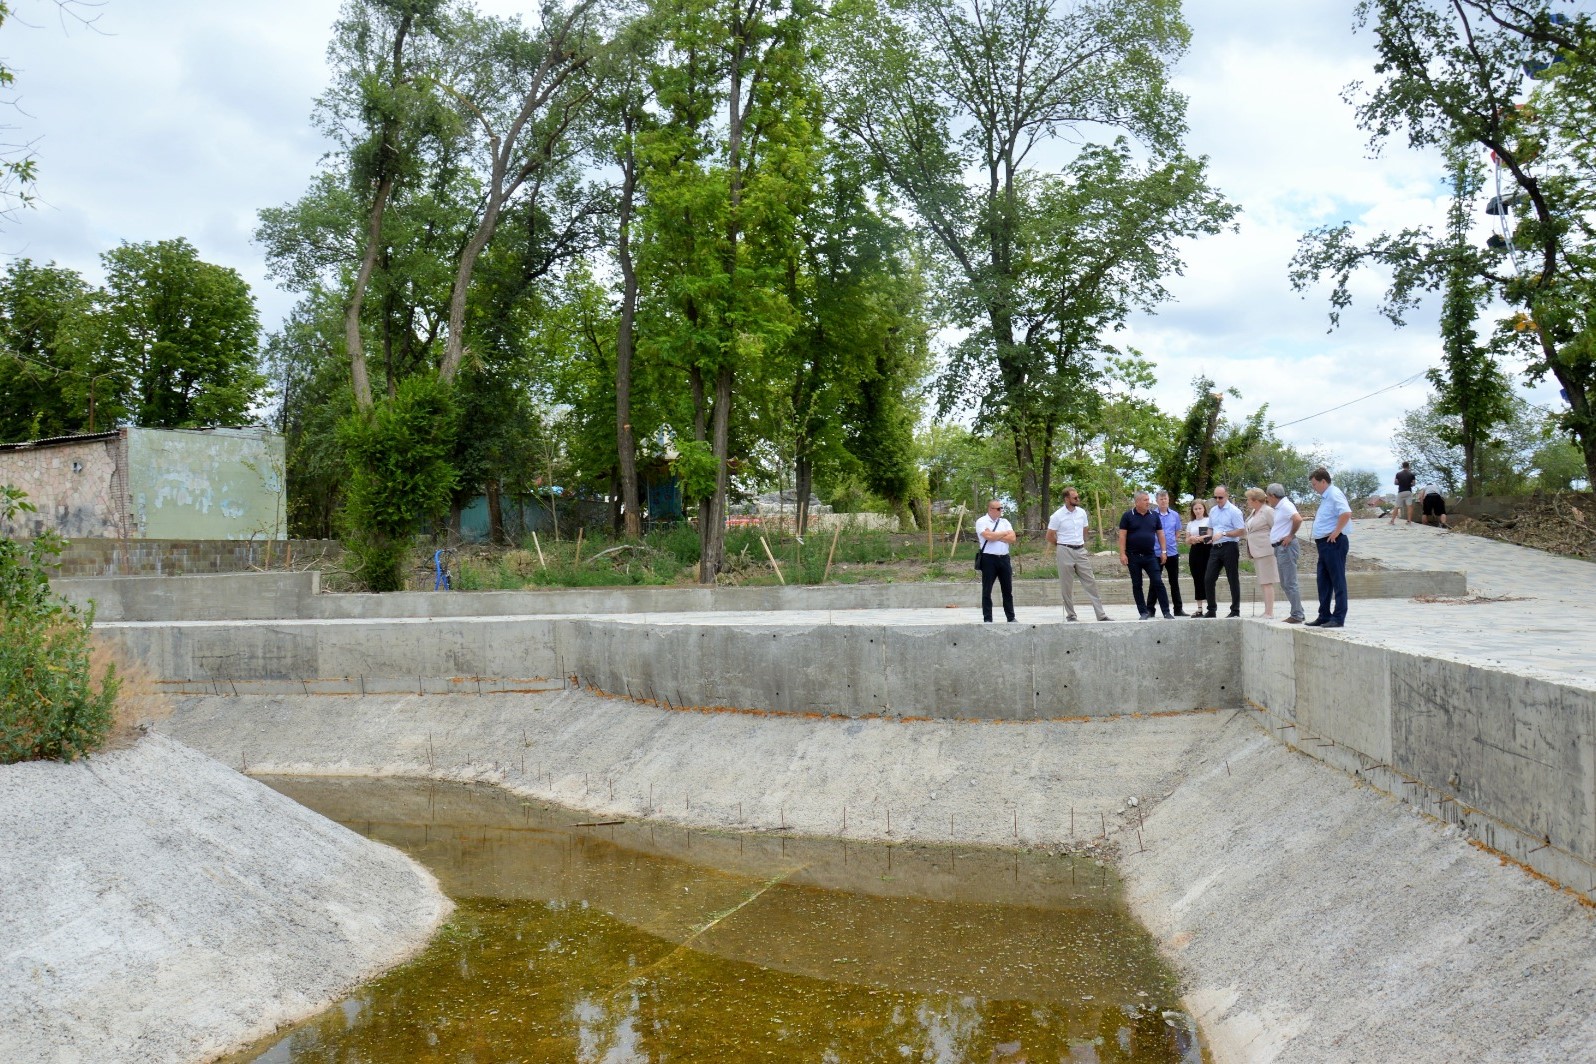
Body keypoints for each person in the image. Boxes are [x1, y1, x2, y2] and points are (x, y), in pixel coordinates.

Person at [1045, 486, 1109, 622]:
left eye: (1078, 497)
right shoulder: (1057, 516)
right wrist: (1061, 544)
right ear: (1066, 499)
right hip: (1064, 550)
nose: (1077, 499)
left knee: (1090, 582)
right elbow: (1049, 536)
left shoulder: (1081, 513)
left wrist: (1082, 541)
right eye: (1075, 497)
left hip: (1080, 550)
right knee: (1066, 584)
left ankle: (1101, 614)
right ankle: (1071, 615)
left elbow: (1085, 529)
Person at [1307, 467, 1351, 627]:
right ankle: (1324, 615)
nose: (1314, 488)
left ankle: (1339, 617)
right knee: (1323, 580)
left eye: (1314, 484)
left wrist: (1336, 532)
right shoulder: (1326, 497)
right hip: (1324, 545)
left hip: (1334, 543)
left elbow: (1346, 513)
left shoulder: (1334, 493)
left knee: (1338, 580)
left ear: (1323, 481)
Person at [1118, 491, 1171, 619]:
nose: (1148, 502)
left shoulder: (1154, 515)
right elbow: (1122, 535)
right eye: (1145, 500)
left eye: (1148, 499)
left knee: (1158, 582)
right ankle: (1143, 612)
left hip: (1150, 556)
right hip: (1133, 556)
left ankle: (1166, 611)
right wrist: (1122, 554)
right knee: (1137, 584)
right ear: (1137, 502)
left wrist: (1164, 551)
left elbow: (1160, 534)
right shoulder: (1127, 516)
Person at [1199, 484, 1245, 618]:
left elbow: (1241, 530)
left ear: (1227, 496)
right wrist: (1208, 537)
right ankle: (1211, 609)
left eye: (1220, 497)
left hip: (1229, 546)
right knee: (1208, 578)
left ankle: (1235, 610)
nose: (1218, 500)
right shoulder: (1213, 510)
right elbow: (1211, 528)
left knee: (1232, 578)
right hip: (1215, 548)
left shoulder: (1234, 511)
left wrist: (1224, 533)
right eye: (1216, 497)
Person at [1266, 483, 1306, 624]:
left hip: (1286, 548)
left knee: (1289, 582)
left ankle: (1297, 614)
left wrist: (1290, 535)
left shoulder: (1285, 505)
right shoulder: (1279, 507)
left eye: (1268, 497)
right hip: (1280, 548)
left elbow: (1298, 519)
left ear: (1272, 495)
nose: (1267, 500)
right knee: (1285, 582)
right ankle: (1298, 611)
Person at [974, 499, 1017, 622]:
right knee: (987, 590)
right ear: (991, 509)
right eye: (998, 509)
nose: (1001, 511)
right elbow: (988, 537)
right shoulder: (982, 521)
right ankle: (988, 618)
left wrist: (995, 535)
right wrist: (1004, 534)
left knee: (1007, 590)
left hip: (1004, 558)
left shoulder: (1004, 521)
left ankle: (1011, 617)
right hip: (989, 559)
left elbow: (1013, 538)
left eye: (1001, 508)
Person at [1242, 487, 1280, 619]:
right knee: (1263, 581)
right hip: (1256, 550)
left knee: (1267, 581)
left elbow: (1276, 527)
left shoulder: (1268, 511)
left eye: (1248, 499)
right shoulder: (1254, 511)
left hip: (1266, 550)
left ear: (1255, 500)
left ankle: (1269, 612)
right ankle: (1266, 610)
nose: (1247, 501)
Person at [1154, 490, 1186, 616]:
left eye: (1165, 498)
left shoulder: (1174, 515)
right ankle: (1150, 608)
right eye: (1161, 499)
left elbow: (1177, 531)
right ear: (1156, 501)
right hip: (1156, 553)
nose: (1163, 501)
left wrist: (1170, 541)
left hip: (1172, 552)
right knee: (1155, 581)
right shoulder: (1152, 515)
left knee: (1174, 581)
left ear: (1168, 499)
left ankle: (1178, 609)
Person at [1186, 499, 1212, 617]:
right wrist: (1191, 539)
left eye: (1200, 508)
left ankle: (1211, 606)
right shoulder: (1191, 523)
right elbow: (1187, 540)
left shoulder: (1209, 521)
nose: (1197, 511)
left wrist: (1202, 538)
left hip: (1207, 550)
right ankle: (1199, 608)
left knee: (1208, 578)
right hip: (1195, 551)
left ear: (1204, 509)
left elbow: (1212, 536)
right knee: (1197, 579)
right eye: (1195, 509)